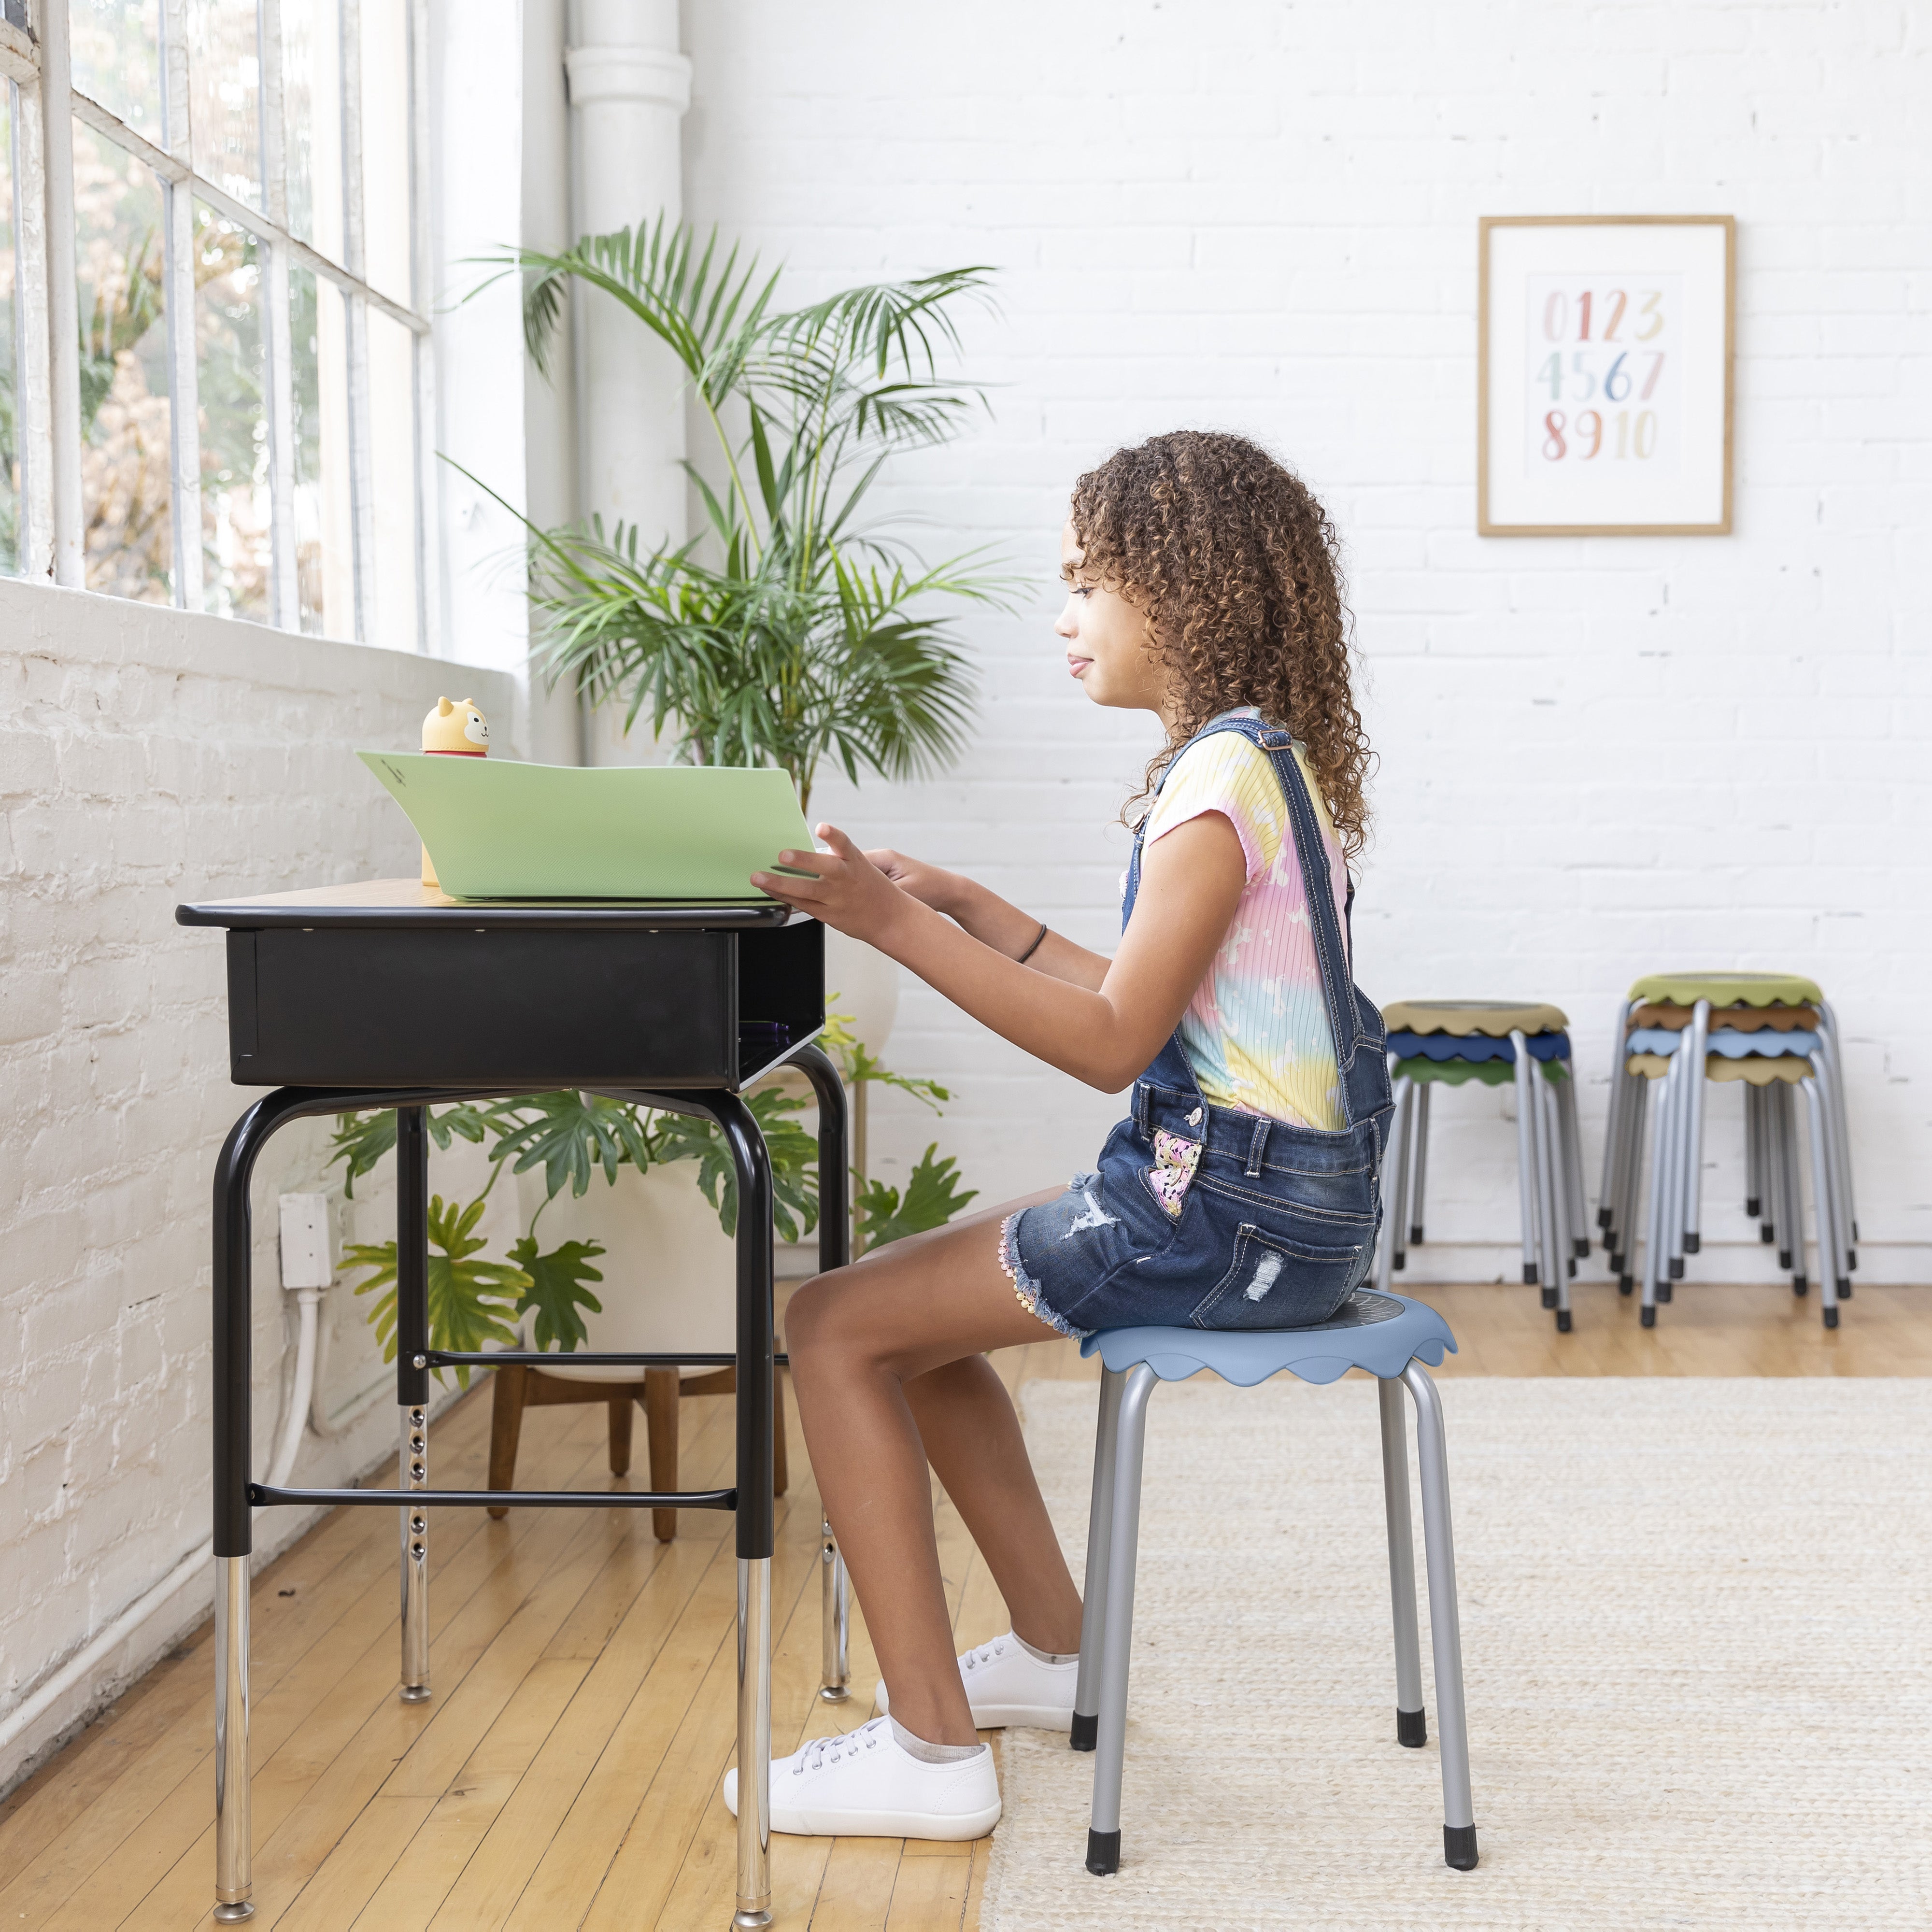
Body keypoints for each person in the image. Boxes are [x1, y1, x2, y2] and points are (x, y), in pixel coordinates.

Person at [725, 428, 1390, 1840]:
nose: (1065, 614)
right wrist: (975, 907)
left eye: (1092, 582)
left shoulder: (1211, 790)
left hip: (1221, 1216)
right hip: (1288, 1211)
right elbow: (1168, 1001)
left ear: (1190, 594)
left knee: (834, 1325)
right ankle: (1051, 1649)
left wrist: (890, 926)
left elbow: (1111, 1046)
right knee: (922, 1303)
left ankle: (927, 1750)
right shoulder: (1264, 771)